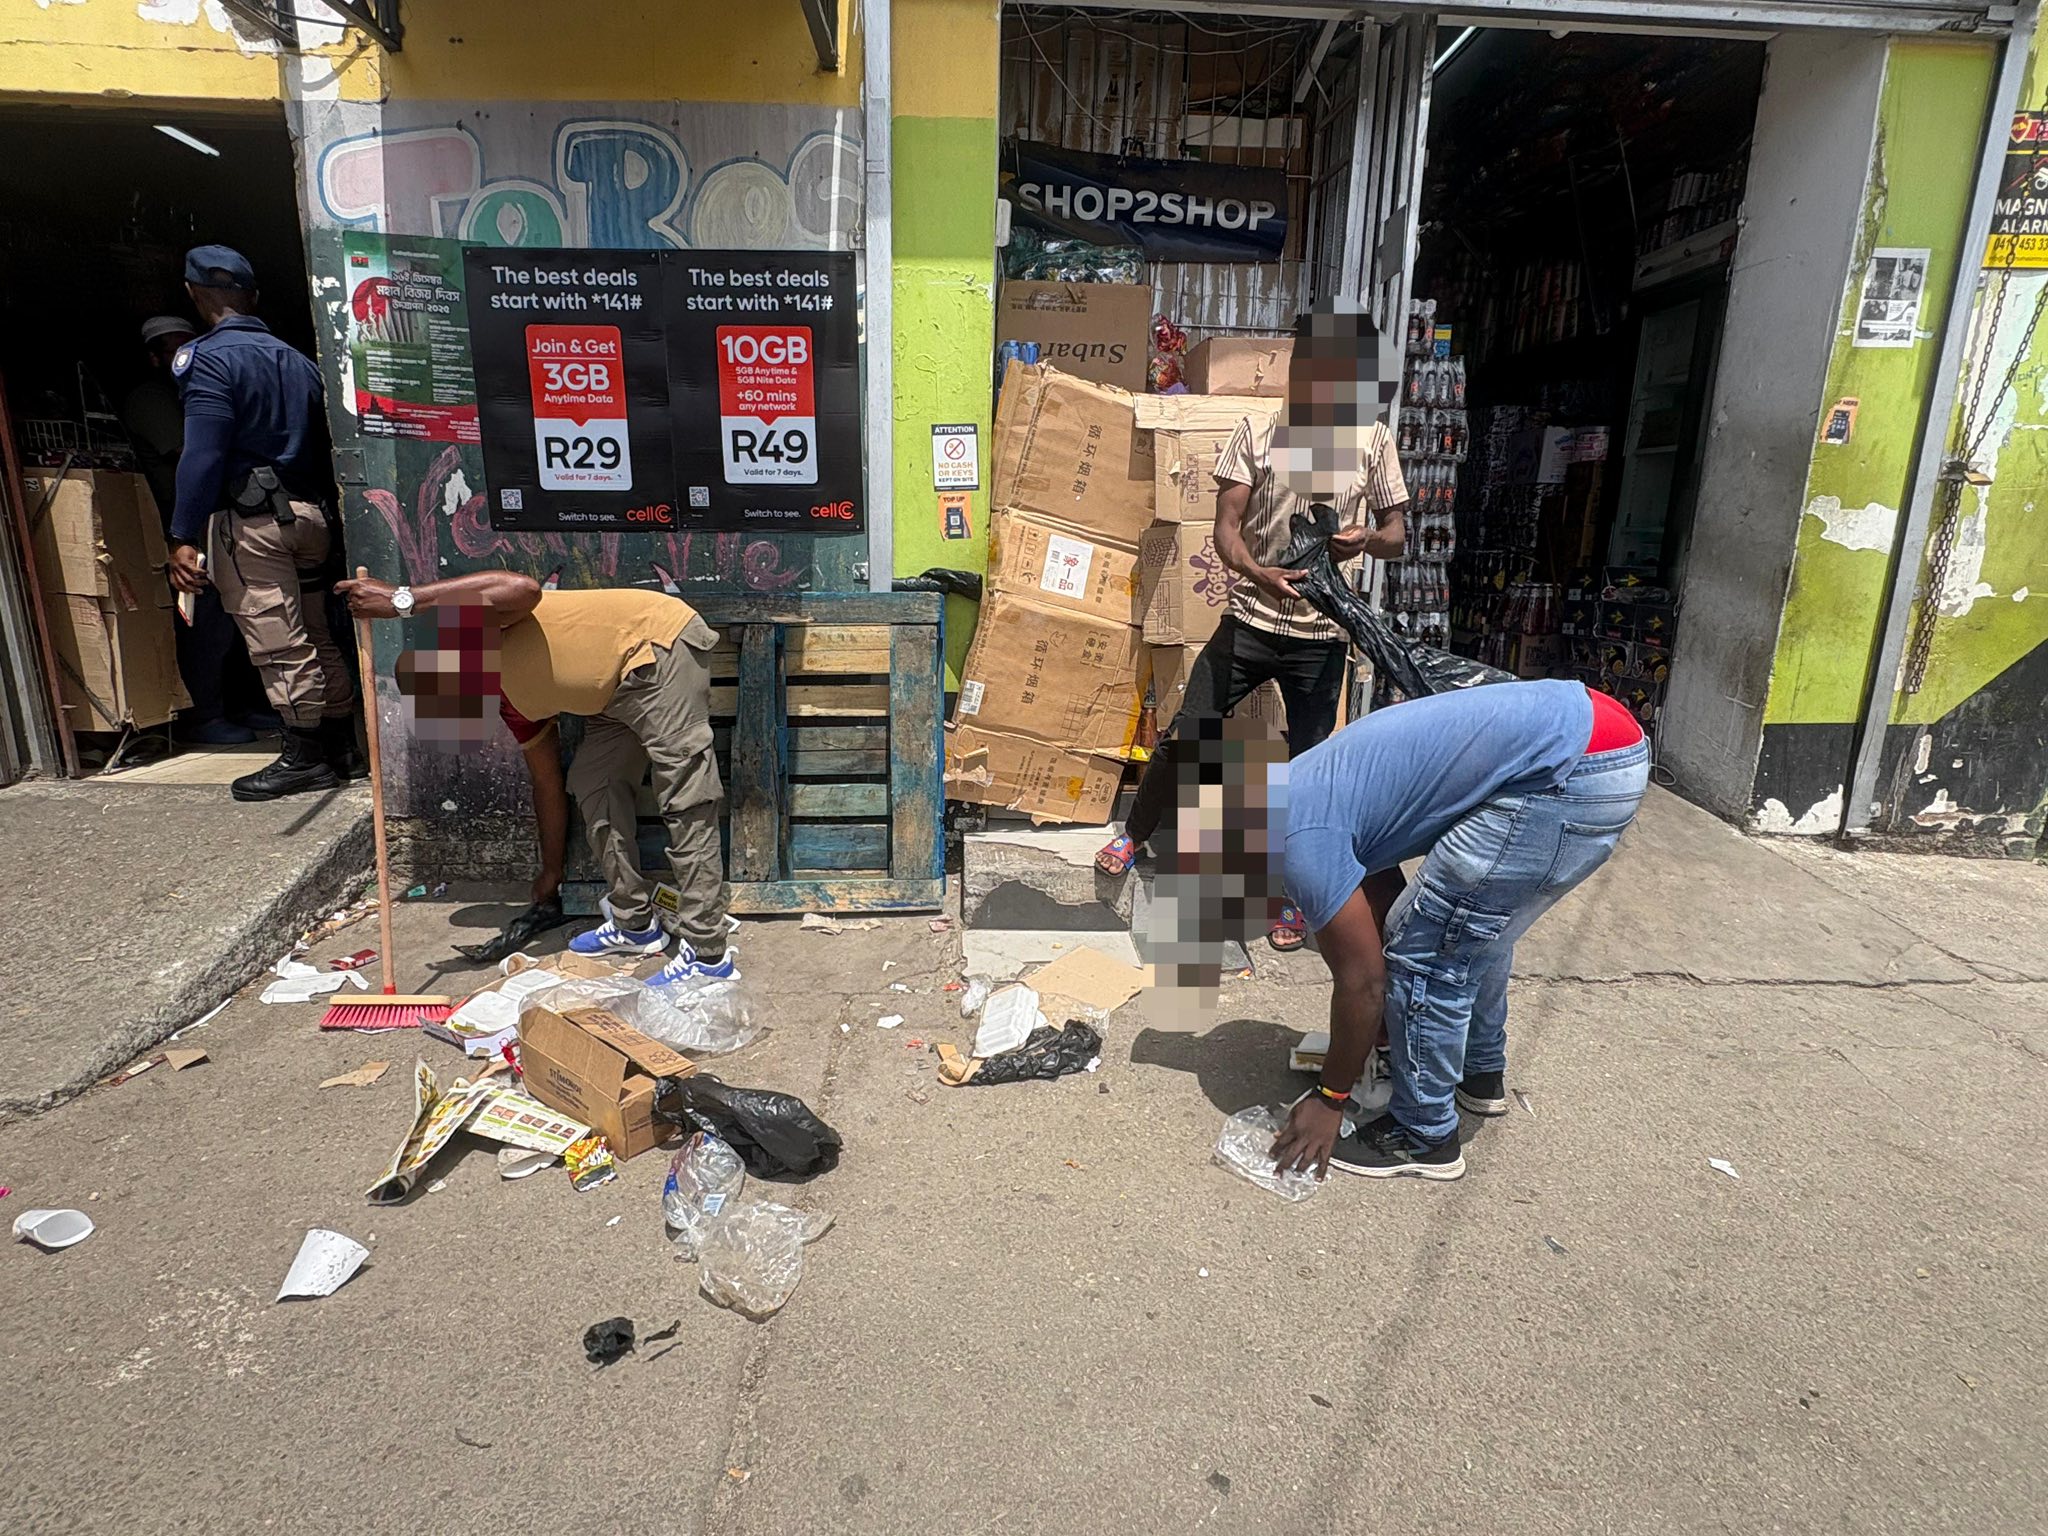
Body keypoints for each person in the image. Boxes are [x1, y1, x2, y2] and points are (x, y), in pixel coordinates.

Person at [1098, 304, 1409, 952]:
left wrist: (1364, 538)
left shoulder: (1373, 440)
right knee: (1185, 738)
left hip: (1322, 632)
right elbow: (1225, 532)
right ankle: (1134, 835)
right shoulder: (1259, 433)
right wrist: (1259, 573)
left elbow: (1397, 537)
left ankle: (1301, 897)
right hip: (1251, 618)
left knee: (1313, 775)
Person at [1260, 679, 1651, 1182]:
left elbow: (1366, 981)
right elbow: (1377, 901)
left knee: (1427, 950)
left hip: (1571, 774)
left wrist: (1330, 1097)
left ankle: (1424, 1136)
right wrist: (1382, 1035)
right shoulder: (1299, 786)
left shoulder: (1295, 840)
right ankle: (1478, 1074)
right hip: (1594, 736)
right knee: (1466, 927)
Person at [337, 569, 733, 985]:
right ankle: (635, 924)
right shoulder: (512, 708)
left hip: (656, 648)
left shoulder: (475, 631)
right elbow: (545, 784)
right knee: (592, 784)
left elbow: (523, 588)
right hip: (610, 696)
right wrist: (551, 871)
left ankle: (708, 956)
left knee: (686, 797)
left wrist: (403, 600)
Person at [164, 245, 359, 799]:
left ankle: (304, 757)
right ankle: (341, 744)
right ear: (253, 296)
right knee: (318, 634)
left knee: (277, 638)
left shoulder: (209, 359)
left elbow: (201, 454)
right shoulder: (299, 361)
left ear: (194, 294)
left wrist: (182, 534)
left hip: (254, 523)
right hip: (309, 518)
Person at [120, 314, 270, 746]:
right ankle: (207, 715)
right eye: (173, 348)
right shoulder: (154, 397)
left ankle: (242, 707)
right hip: (186, 527)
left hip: (218, 521)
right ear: (155, 358)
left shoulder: (197, 390)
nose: (185, 354)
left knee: (239, 618)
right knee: (205, 622)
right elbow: (193, 453)